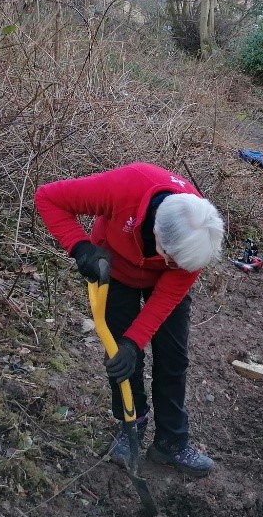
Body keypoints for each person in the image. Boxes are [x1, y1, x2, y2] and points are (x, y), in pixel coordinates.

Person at [34, 163, 225, 477]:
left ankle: (171, 443)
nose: (179, 266)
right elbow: (48, 198)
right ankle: (130, 427)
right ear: (156, 233)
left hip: (162, 285)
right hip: (115, 271)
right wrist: (80, 247)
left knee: (173, 358)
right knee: (122, 360)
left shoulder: (197, 237)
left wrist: (134, 341)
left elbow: (165, 298)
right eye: (171, 258)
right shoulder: (127, 187)